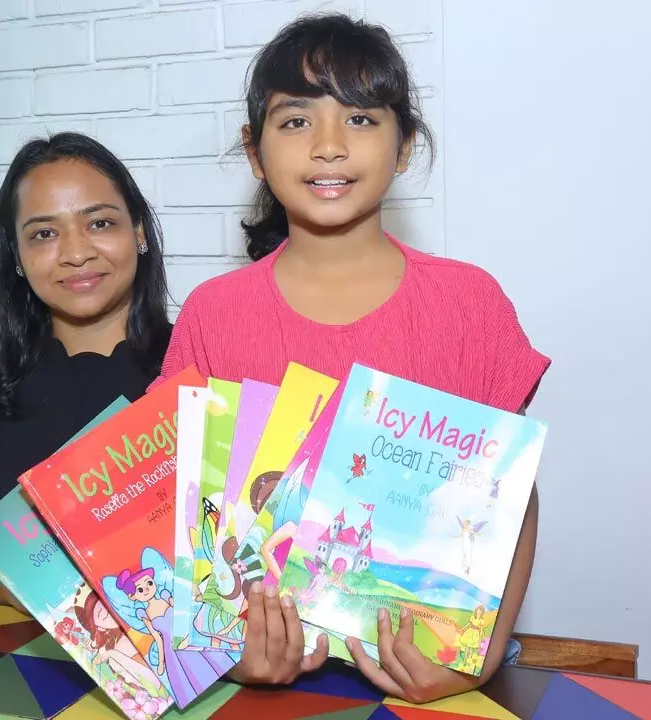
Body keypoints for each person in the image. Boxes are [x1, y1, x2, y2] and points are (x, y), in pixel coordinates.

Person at [153, 13, 549, 703]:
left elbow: (513, 497)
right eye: (296, 121)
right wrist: (228, 649)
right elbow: (180, 506)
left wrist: (474, 665)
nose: (329, 146)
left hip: (428, 676)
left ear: (405, 147)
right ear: (255, 151)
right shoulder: (215, 313)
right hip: (260, 684)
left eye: (361, 119)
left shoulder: (469, 303)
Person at [0, 132, 173, 608]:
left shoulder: (193, 368)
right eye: (44, 234)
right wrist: (3, 587)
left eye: (99, 223)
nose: (76, 253)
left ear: (138, 232)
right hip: (19, 665)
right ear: (16, 256)